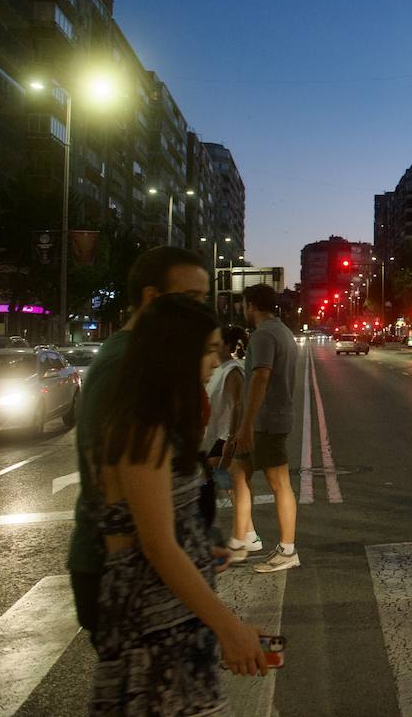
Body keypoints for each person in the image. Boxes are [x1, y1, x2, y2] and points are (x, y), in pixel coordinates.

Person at [91, 294, 267, 713]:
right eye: (206, 349)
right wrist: (230, 628)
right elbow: (155, 545)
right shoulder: (142, 427)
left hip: (172, 613)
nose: (214, 361)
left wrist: (199, 548)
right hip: (153, 624)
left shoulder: (157, 421)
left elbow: (153, 525)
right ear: (174, 351)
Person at [68, 246, 212, 639]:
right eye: (192, 299)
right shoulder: (124, 365)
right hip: (122, 570)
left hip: (146, 565)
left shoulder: (145, 361)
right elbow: (111, 489)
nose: (201, 312)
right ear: (152, 299)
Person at [231, 284, 300, 572]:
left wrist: (246, 424)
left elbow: (260, 378)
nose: (242, 310)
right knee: (237, 471)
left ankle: (287, 550)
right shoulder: (283, 332)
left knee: (279, 483)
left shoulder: (263, 335)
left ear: (251, 306)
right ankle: (245, 537)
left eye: (244, 305)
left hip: (265, 422)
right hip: (270, 419)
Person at [204, 326, 246, 512]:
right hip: (219, 436)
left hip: (227, 437)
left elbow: (237, 404)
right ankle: (247, 531)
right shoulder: (219, 369)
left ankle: (247, 532)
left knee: (216, 479)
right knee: (225, 484)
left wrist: (231, 438)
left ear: (227, 346)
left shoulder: (232, 370)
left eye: (217, 345)